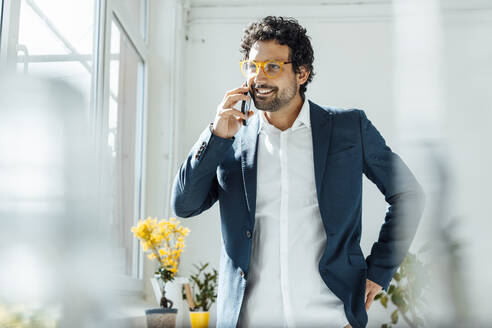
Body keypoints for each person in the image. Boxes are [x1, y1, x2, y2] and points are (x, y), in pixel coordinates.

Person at [171, 16, 425, 328]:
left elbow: (408, 195)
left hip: (332, 318)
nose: (258, 77)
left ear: (301, 73)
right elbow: (184, 205)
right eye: (252, 66)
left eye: (272, 67)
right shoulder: (230, 141)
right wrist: (215, 135)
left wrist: (379, 271)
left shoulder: (348, 129)